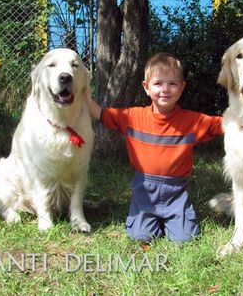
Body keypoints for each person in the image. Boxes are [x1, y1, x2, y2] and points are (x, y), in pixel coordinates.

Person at [87, 52, 223, 243]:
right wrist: (80, 94)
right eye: (158, 83)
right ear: (146, 87)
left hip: (176, 193)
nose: (165, 89)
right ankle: (149, 221)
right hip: (144, 192)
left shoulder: (192, 121)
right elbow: (100, 114)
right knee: (140, 236)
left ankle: (174, 221)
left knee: (185, 239)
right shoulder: (133, 117)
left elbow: (226, 124)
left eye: (173, 84)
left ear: (182, 88)